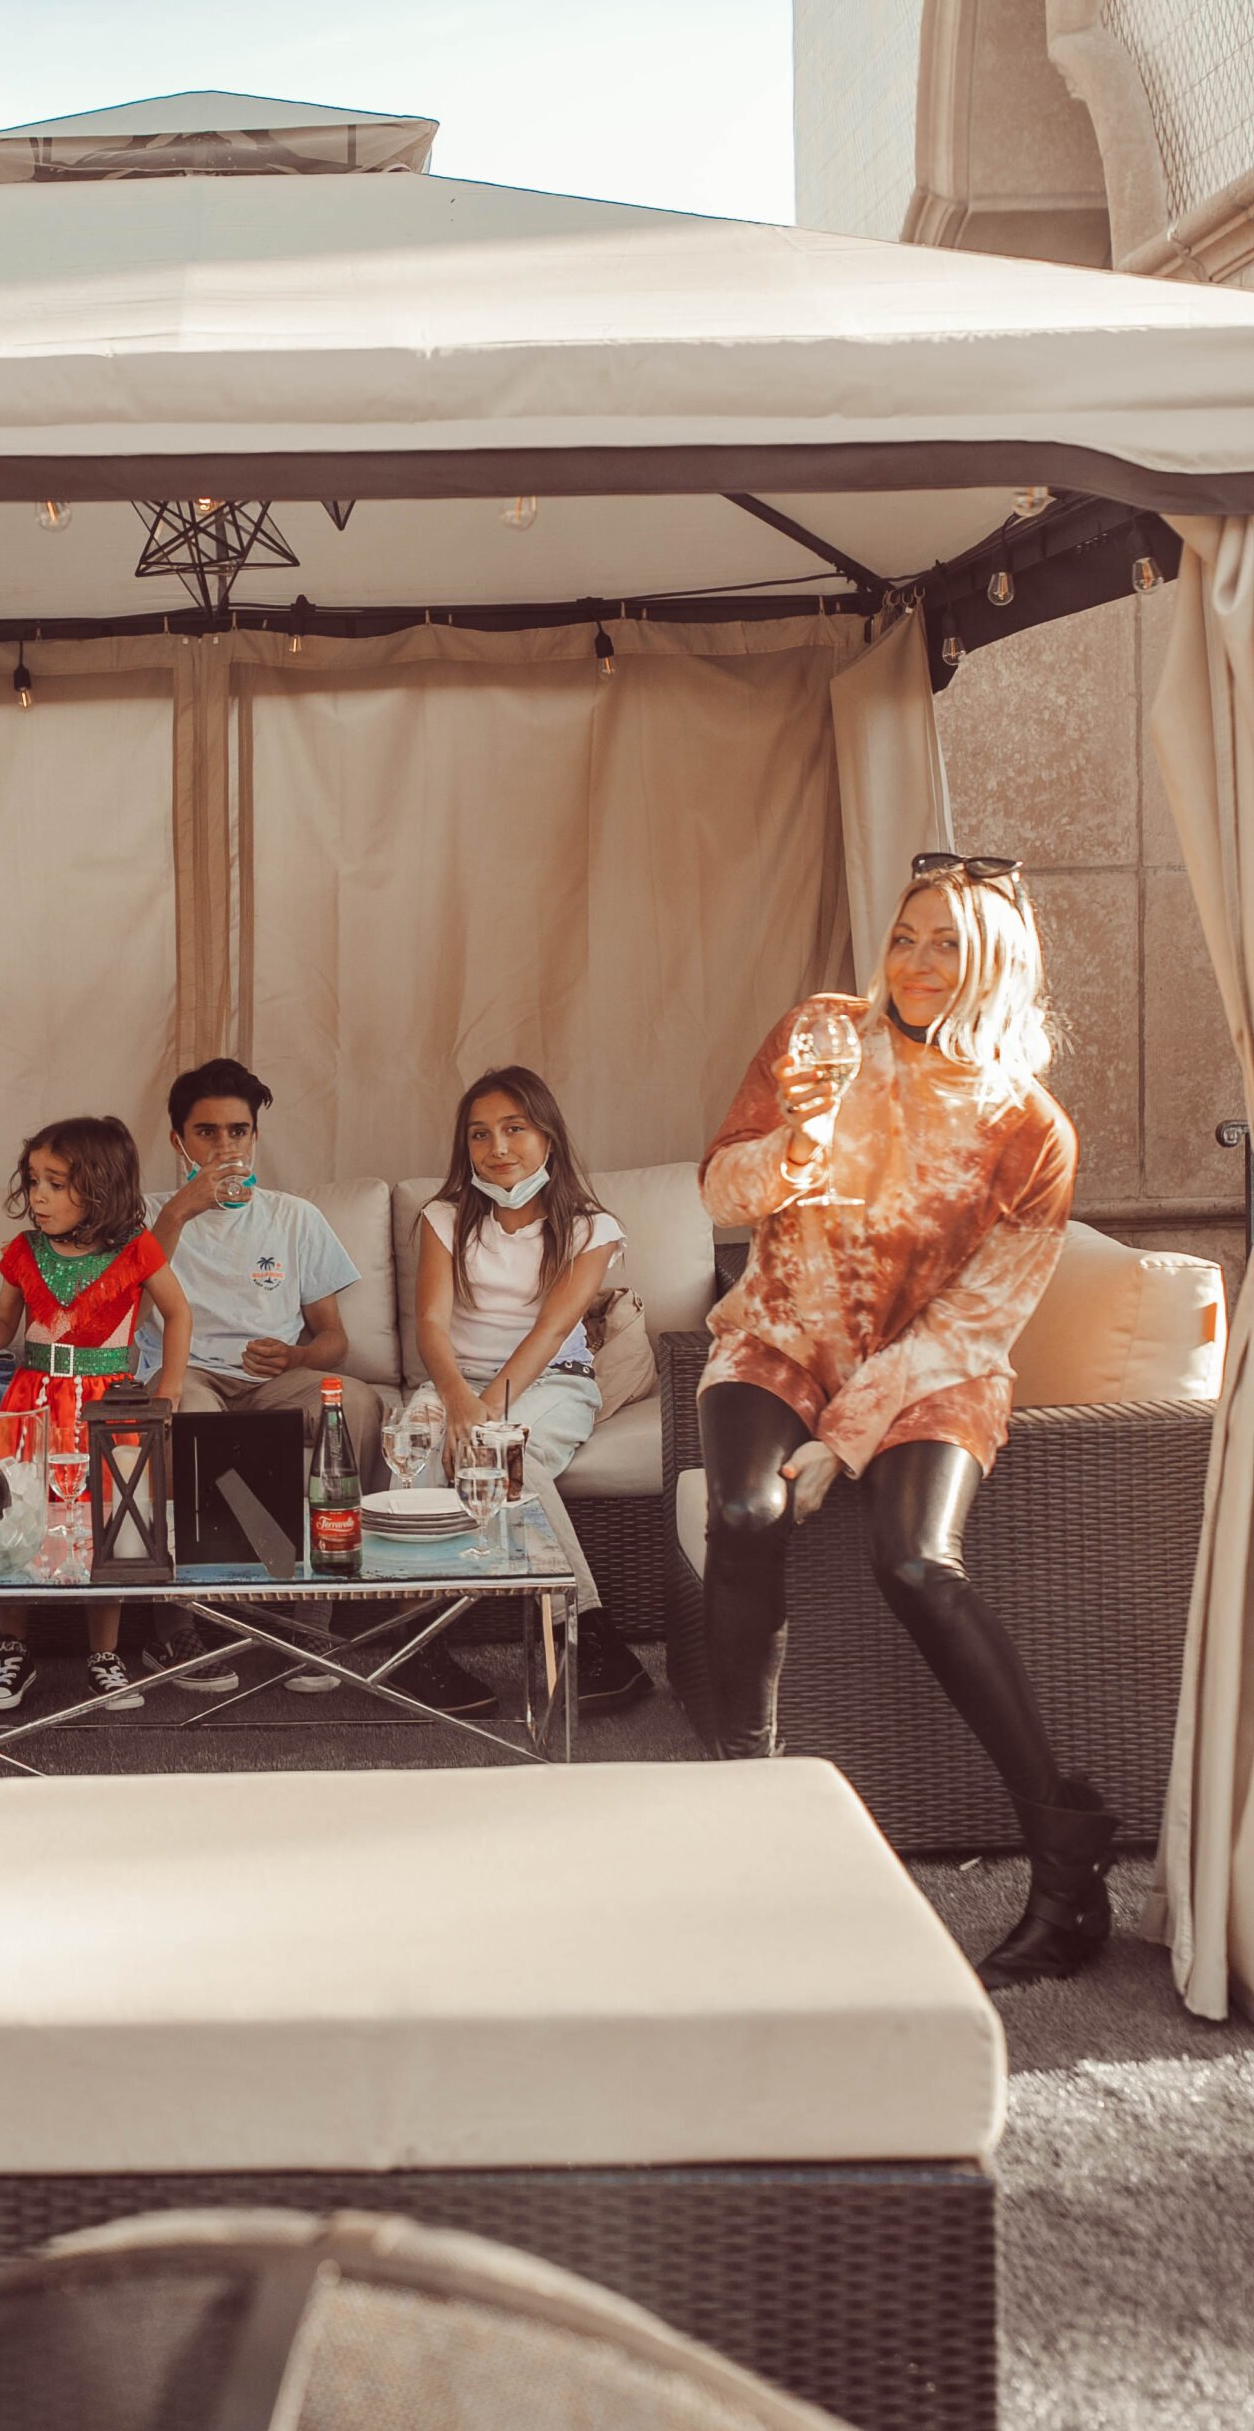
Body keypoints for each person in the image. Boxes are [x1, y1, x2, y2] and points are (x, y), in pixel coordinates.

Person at [697, 853, 1110, 1994]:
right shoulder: (820, 1035)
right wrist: (792, 1141)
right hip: (780, 1335)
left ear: (997, 968)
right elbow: (717, 1195)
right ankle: (745, 1816)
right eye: (904, 937)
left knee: (917, 1564)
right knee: (742, 1509)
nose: (916, 965)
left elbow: (980, 1319)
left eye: (946, 946)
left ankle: (1067, 1865)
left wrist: (846, 1437)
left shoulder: (1030, 1130)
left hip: (931, 1368)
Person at [135, 1055, 381, 1696]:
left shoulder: (295, 1218)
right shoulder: (145, 1214)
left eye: (237, 1132)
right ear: (177, 1141)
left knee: (351, 1404)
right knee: (187, 1414)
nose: (224, 1147)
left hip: (270, 1382)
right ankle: (178, 1626)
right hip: (186, 1376)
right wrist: (179, 1214)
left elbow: (335, 1339)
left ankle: (313, 1621)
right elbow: (121, 1300)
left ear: (254, 1136)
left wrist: (296, 1358)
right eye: (206, 1133)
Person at [416, 1065, 647, 1717]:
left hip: (551, 1381)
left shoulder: (590, 1227)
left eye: (514, 1128)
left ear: (547, 1134)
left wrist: (483, 1411)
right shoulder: (443, 1217)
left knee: (500, 1450)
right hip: (453, 1381)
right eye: (480, 1134)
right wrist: (459, 1399)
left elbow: (552, 1330)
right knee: (414, 1452)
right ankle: (420, 1646)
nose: (498, 1147)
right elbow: (431, 1325)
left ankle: (586, 1636)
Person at [0, 1113, 192, 1718]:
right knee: (17, 1519)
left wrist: (167, 1390)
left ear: (100, 1187)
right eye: (34, 1180)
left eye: (56, 1182)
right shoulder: (25, 1251)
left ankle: (105, 1653)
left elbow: (178, 1314)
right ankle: (12, 1648)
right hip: (32, 1398)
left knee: (109, 1528)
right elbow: (1, 1325)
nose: (38, 1195)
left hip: (108, 1401)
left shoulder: (136, 1251)